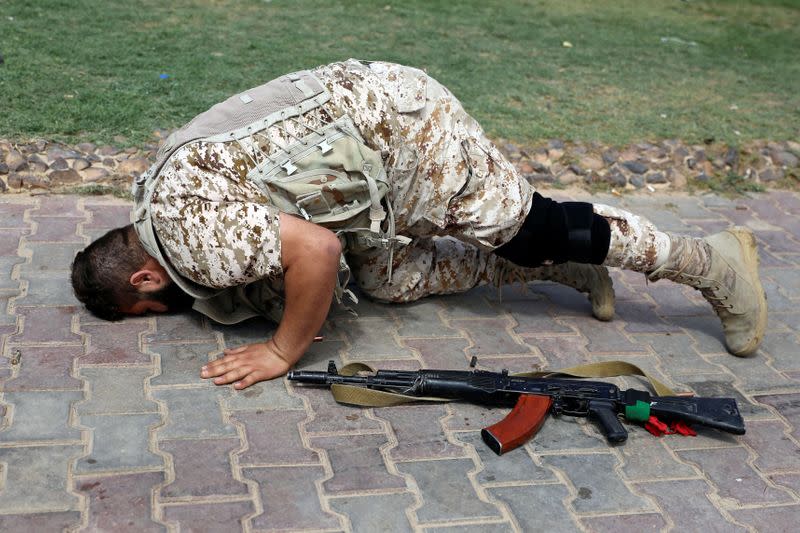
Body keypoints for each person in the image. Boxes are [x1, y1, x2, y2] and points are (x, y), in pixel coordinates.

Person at [71, 60, 767, 390]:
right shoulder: (155, 200)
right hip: (361, 156)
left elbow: (311, 250)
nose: (167, 315)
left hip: (404, 130)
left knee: (532, 226)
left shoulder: (189, 240)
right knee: (390, 277)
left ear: (144, 276)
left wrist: (284, 351)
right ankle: (564, 268)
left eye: (149, 311)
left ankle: (711, 263)